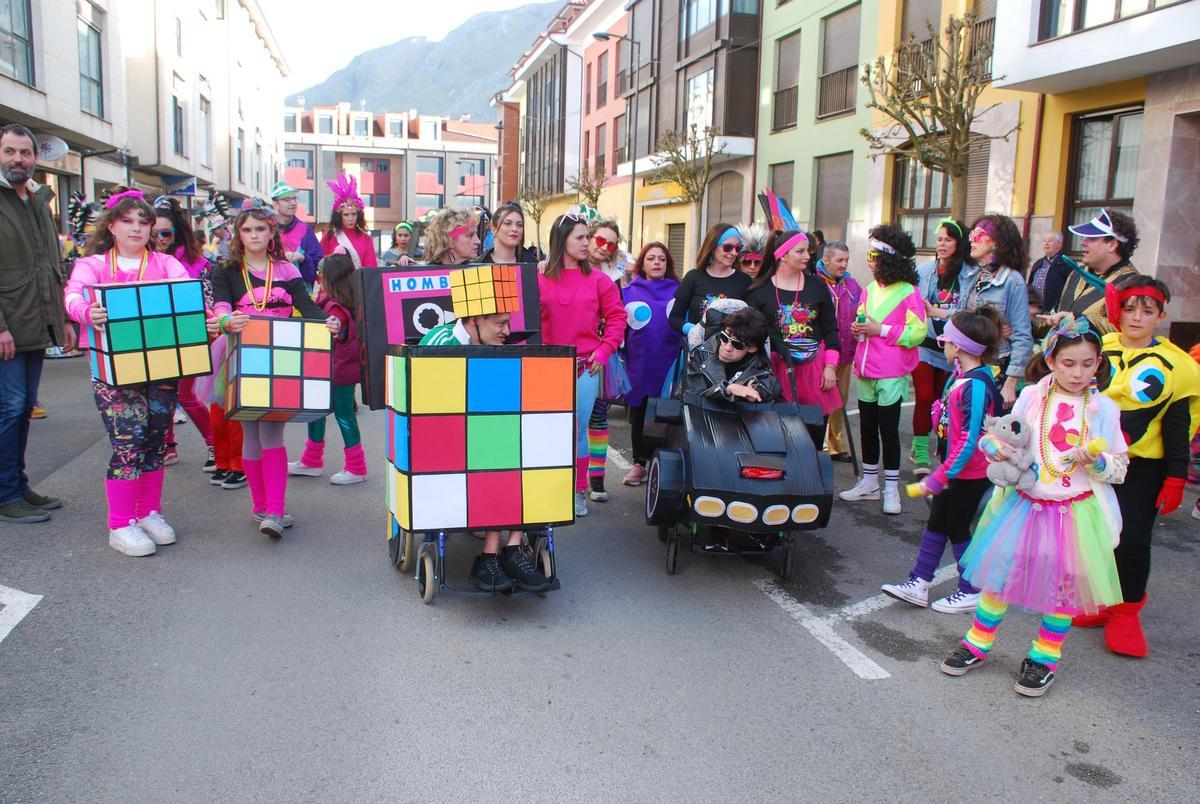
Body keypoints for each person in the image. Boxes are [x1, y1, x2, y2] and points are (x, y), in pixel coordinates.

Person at [940, 316, 1127, 697]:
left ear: (1098, 363)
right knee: (1000, 575)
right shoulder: (1031, 397)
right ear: (1052, 361)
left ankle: (1045, 656)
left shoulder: (1105, 409)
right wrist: (995, 448)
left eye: (1087, 364)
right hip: (1025, 505)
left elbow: (1119, 469)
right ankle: (978, 641)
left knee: (1064, 587)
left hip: (1075, 512)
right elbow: (1006, 438)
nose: (1078, 373)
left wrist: (1098, 463)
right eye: (1068, 363)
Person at [1071, 277, 1200, 656]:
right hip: (1093, 461)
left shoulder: (1177, 366)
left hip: (1142, 467)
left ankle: (1126, 613)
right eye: (1129, 308)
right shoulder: (1100, 349)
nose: (1137, 317)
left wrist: (1176, 476)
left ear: (1161, 315)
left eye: (1147, 310)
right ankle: (1103, 600)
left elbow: (1177, 425)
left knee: (1132, 539)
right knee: (1095, 533)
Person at [64, 189, 191, 555]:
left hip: (163, 363)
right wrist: (86, 311)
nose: (136, 228)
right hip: (114, 370)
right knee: (128, 441)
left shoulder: (166, 263)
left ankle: (148, 511)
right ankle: (120, 524)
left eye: (143, 222)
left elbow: (188, 292)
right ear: (112, 225)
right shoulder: (93, 264)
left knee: (155, 438)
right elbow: (72, 296)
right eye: (127, 220)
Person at [209, 200, 341, 538]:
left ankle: (275, 511)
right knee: (250, 434)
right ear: (238, 235)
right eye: (247, 229)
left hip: (281, 357)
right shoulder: (225, 271)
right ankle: (260, 506)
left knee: (271, 433)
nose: (254, 235)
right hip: (240, 357)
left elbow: (308, 308)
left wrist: (329, 322)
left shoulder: (286, 270)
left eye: (260, 229)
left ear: (271, 233)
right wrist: (225, 320)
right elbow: (220, 307)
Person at [417, 294, 551, 593]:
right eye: (501, 323)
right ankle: (490, 557)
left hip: (481, 434)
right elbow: (426, 410)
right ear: (476, 319)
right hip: (443, 440)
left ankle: (510, 548)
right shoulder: (439, 344)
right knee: (497, 456)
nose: (507, 331)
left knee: (523, 452)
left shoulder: (496, 348)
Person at [881, 308, 1004, 613]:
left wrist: (941, 476)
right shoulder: (959, 377)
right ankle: (919, 582)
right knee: (937, 522)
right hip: (954, 470)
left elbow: (970, 438)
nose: (943, 346)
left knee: (957, 527)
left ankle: (971, 590)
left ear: (958, 347)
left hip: (970, 473)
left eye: (945, 341)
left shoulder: (976, 385)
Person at [0, 123, 74, 524]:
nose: (18, 159)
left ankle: (17, 485)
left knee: (24, 406)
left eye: (25, 152)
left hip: (34, 322)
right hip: (7, 327)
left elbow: (52, 267)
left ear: (35, 157)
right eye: (10, 151)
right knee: (10, 408)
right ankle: (5, 494)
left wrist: (62, 319)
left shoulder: (38, 200)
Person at [538, 212, 628, 518]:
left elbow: (617, 318)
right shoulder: (538, 277)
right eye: (580, 237)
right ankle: (546, 488)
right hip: (544, 368)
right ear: (561, 239)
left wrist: (603, 351)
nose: (586, 242)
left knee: (578, 432)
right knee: (545, 430)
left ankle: (578, 491)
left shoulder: (600, 280)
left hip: (584, 368)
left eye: (587, 236)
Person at [840, 224, 927, 515]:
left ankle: (891, 488)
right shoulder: (868, 290)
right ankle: (869, 482)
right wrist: (859, 329)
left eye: (873, 255)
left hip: (891, 372)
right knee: (867, 428)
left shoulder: (909, 292)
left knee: (888, 430)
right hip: (866, 370)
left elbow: (917, 332)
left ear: (888, 259)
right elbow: (864, 322)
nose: (868, 260)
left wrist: (881, 330)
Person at [746, 229, 841, 442]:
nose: (807, 256)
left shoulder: (817, 286)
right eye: (800, 251)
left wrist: (830, 366)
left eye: (808, 251)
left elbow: (830, 329)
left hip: (816, 370)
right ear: (783, 255)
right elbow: (753, 335)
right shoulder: (759, 291)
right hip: (777, 370)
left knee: (814, 437)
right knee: (781, 438)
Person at [287, 254, 367, 485]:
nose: (318, 278)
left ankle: (356, 467)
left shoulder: (334, 306)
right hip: (336, 368)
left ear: (328, 278)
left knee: (343, 415)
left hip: (336, 369)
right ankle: (311, 460)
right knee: (319, 411)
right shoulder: (348, 301)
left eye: (320, 274)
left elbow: (335, 330)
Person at [152, 197, 215, 470]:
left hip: (189, 335)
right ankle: (167, 447)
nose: (159, 239)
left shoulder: (197, 264)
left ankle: (215, 445)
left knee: (186, 395)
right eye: (154, 233)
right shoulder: (143, 261)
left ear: (177, 232)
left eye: (165, 233)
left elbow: (207, 303)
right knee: (161, 395)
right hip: (154, 336)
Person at [957, 214, 1034, 410]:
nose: (971, 239)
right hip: (969, 362)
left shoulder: (1012, 281)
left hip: (996, 367)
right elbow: (964, 317)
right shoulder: (973, 275)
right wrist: (936, 312)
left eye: (979, 234)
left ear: (997, 242)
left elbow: (1022, 335)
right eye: (971, 234)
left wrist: (1011, 382)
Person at [620, 242, 681, 486]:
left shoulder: (680, 291)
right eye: (651, 258)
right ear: (642, 264)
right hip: (640, 363)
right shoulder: (628, 292)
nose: (657, 262)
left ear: (668, 264)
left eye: (662, 259)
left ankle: (667, 465)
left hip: (671, 363)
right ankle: (639, 465)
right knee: (640, 413)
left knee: (669, 414)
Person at [912, 218, 969, 476]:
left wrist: (941, 312)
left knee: (940, 401)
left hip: (952, 347)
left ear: (959, 244)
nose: (942, 244)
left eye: (948, 239)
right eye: (939, 239)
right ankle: (921, 452)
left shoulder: (968, 274)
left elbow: (969, 310)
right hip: (924, 343)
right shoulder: (924, 270)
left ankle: (936, 445)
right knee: (924, 397)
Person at [584, 217, 629, 502]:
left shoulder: (613, 277)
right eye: (600, 240)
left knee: (598, 416)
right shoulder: (566, 268)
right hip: (572, 352)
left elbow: (617, 316)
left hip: (602, 353)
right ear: (588, 237)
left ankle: (597, 480)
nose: (604, 247)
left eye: (610, 244)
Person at [1050, 209, 1140, 335]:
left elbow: (1125, 330)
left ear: (1112, 245)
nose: (1082, 242)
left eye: (1091, 238)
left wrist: (1075, 319)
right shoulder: (1076, 273)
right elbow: (1055, 318)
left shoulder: (1132, 285)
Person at [816, 240, 862, 462]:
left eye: (846, 260)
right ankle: (816, 443)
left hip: (845, 353)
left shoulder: (852, 285)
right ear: (825, 260)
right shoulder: (814, 282)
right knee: (817, 399)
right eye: (839, 260)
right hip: (819, 355)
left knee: (838, 400)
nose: (844, 265)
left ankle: (836, 445)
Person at [668, 224, 753, 336]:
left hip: (731, 345)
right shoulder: (693, 277)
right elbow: (674, 317)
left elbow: (751, 321)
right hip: (698, 345)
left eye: (738, 248)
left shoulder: (744, 281)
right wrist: (692, 330)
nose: (734, 253)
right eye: (728, 247)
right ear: (713, 247)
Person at [686, 307, 781, 403]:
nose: (727, 348)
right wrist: (727, 390)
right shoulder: (701, 354)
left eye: (737, 345)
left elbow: (771, 386)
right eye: (724, 337)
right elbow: (690, 397)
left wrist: (757, 391)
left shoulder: (760, 366)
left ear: (752, 348)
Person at [319, 173, 378, 269]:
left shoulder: (366, 239)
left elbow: (371, 268)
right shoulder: (330, 236)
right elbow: (321, 263)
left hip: (358, 278)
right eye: (346, 215)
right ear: (339, 216)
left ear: (358, 216)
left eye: (354, 214)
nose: (350, 219)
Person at [271, 181, 322, 288]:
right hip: (272, 288)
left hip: (300, 289)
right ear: (275, 204)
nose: (293, 203)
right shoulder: (267, 229)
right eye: (287, 200)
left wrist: (302, 258)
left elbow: (318, 261)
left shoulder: (305, 229)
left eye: (294, 198)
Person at [1028, 230, 1072, 312]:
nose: (1046, 243)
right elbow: (1030, 286)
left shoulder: (1067, 264)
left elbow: (1071, 291)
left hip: (1055, 312)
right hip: (1035, 311)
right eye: (1044, 241)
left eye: (1050, 241)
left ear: (1059, 244)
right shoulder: (1038, 263)